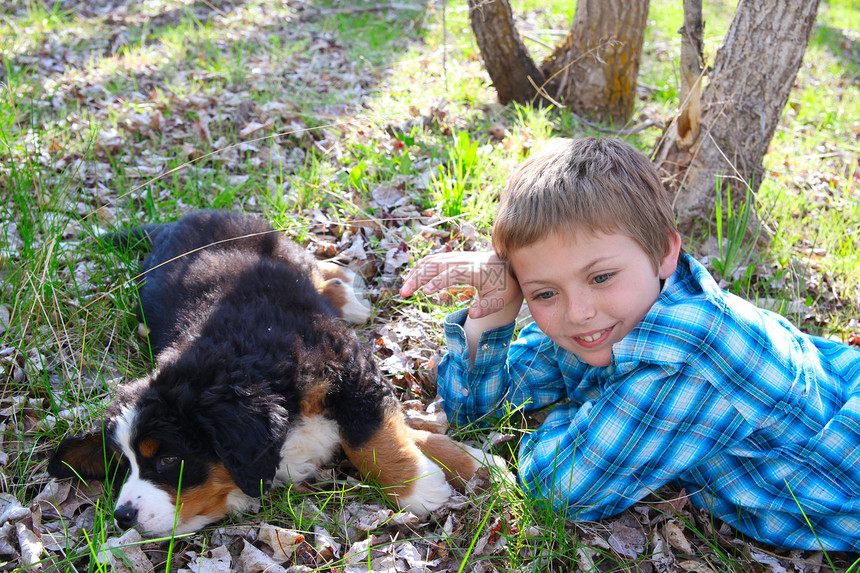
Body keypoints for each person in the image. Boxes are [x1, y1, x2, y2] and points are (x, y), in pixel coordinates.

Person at [400, 137, 860, 551]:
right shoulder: (609, 315)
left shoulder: (687, 357)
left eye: (601, 277)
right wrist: (499, 307)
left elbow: (562, 489)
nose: (577, 311)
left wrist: (571, 412)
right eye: (543, 293)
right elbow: (479, 410)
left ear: (665, 252)